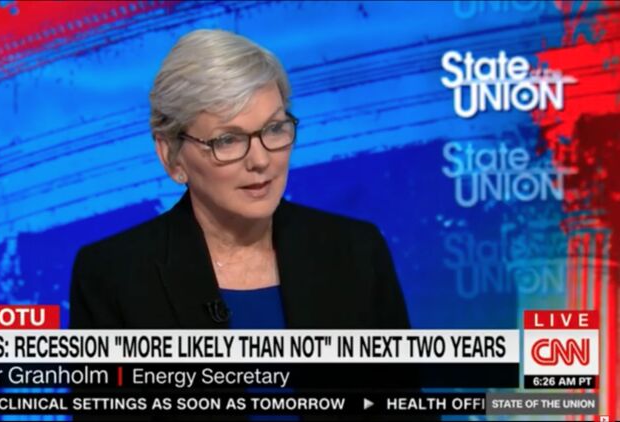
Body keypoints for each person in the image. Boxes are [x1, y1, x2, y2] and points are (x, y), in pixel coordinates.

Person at [69, 29, 414, 421]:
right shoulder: (113, 276)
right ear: (171, 155)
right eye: (228, 140)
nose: (260, 160)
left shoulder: (356, 252)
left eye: (274, 129)